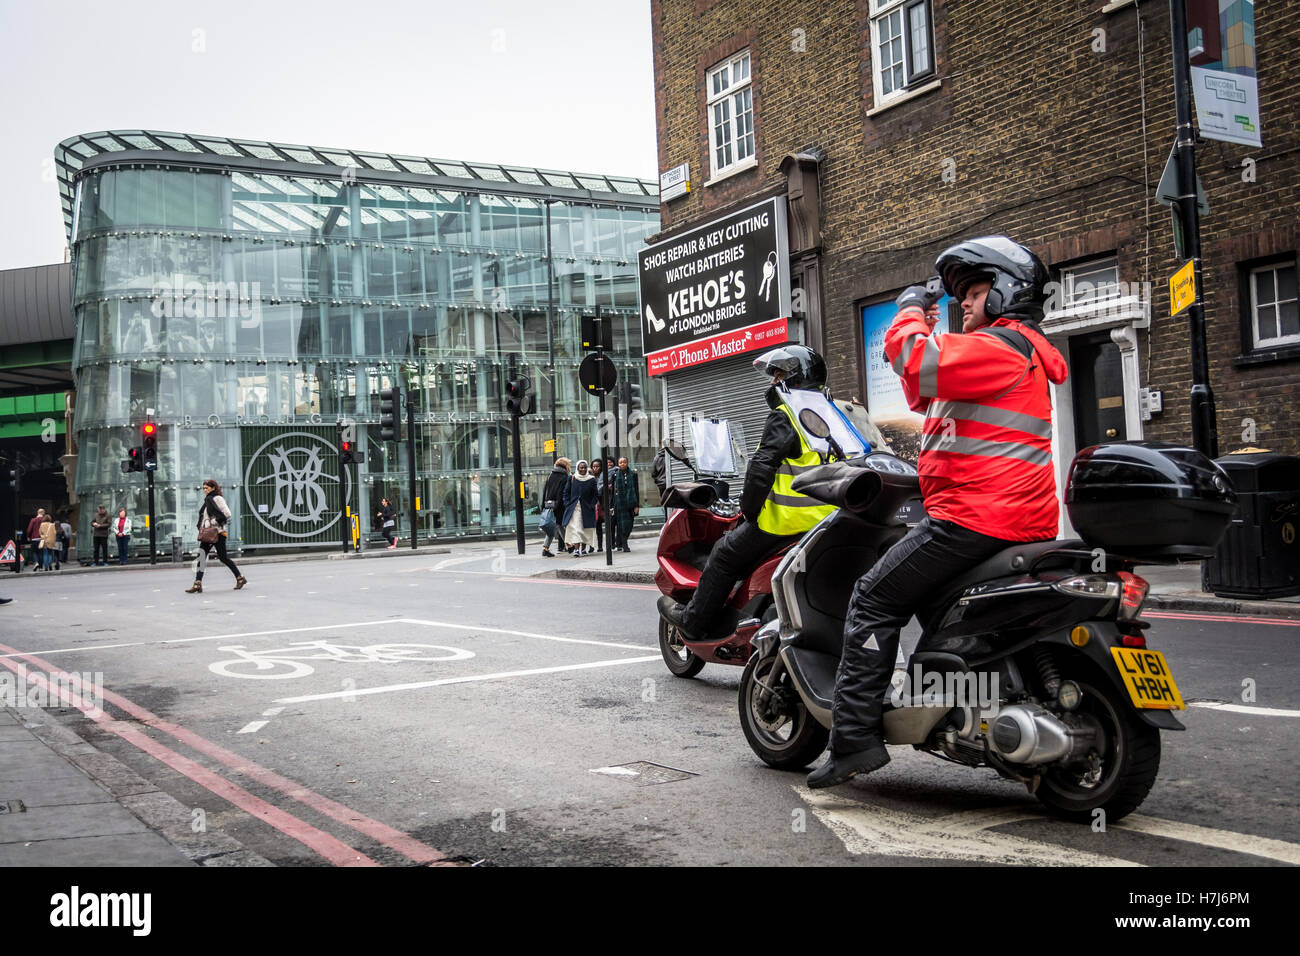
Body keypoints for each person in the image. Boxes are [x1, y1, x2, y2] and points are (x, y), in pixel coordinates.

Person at [808, 235, 1069, 789]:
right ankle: (961, 704)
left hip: (974, 518)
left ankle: (853, 739)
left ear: (1004, 295)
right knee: (936, 601)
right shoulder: (1004, 356)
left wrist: (908, 312)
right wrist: (927, 329)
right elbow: (920, 386)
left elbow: (912, 358)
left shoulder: (1002, 345)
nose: (965, 305)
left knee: (874, 597)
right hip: (1008, 517)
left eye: (975, 292)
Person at [658, 345, 838, 640]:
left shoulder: (788, 415)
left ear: (794, 377)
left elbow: (762, 468)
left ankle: (694, 621)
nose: (772, 383)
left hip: (788, 524)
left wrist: (749, 510)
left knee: (724, 554)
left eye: (777, 375)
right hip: (831, 520)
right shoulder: (834, 413)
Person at [186, 479, 246, 593]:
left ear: (213, 488)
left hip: (218, 533)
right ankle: (197, 583)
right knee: (202, 557)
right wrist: (202, 526)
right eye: (203, 488)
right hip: (209, 534)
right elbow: (204, 516)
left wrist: (212, 522)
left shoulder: (217, 498)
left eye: (207, 488)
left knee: (223, 557)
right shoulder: (207, 500)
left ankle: (240, 578)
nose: (205, 490)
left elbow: (227, 513)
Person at [562, 460, 599, 557]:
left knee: (585, 529)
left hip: (587, 509)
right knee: (576, 529)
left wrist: (591, 505)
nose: (583, 469)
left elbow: (595, 495)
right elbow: (566, 492)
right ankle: (576, 550)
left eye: (584, 467)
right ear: (577, 468)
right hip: (574, 509)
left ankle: (583, 549)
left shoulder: (591, 479)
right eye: (581, 467)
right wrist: (567, 504)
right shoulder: (572, 478)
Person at [539, 458, 571, 557]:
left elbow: (545, 491)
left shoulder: (551, 475)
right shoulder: (564, 476)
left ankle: (545, 548)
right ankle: (569, 545)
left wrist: (544, 504)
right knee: (559, 525)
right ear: (565, 466)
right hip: (558, 505)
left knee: (552, 526)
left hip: (549, 504)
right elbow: (561, 492)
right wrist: (560, 504)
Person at [613, 457, 640, 552]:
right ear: (618, 464)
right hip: (620, 503)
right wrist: (612, 506)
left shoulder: (633, 474)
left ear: (627, 463)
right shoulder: (615, 475)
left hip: (631, 503)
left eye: (624, 462)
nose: (622, 464)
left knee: (630, 524)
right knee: (621, 524)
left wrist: (637, 505)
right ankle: (624, 544)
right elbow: (613, 491)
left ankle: (621, 542)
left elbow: (636, 490)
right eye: (620, 462)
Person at [590, 458, 606, 553]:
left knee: (599, 526)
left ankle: (600, 546)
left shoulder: (603, 477)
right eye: (594, 466)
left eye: (597, 466)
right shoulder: (589, 477)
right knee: (591, 527)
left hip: (601, 504)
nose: (595, 468)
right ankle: (591, 546)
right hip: (592, 504)